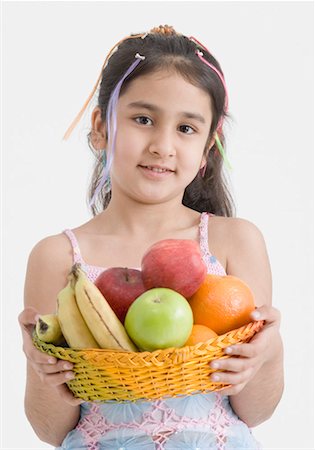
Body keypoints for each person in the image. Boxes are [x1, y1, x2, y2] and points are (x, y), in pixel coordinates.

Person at [18, 24, 284, 450]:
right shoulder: (60, 258)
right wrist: (41, 368)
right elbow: (52, 430)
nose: (163, 145)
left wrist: (267, 356)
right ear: (101, 128)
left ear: (208, 148)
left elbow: (257, 411)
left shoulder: (234, 242)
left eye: (186, 129)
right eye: (143, 119)